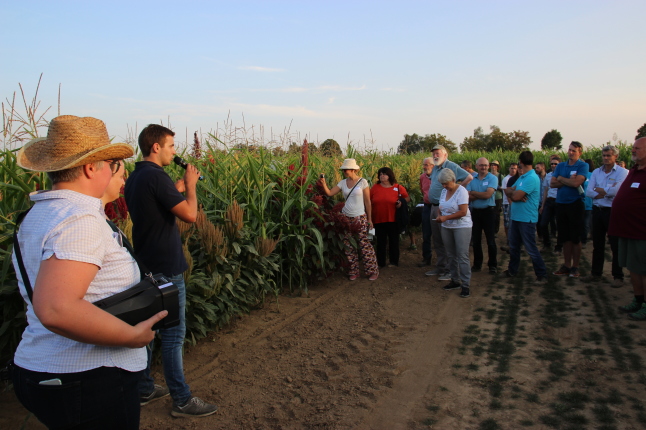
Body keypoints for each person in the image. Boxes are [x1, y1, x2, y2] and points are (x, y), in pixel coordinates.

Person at [11, 115, 167, 429]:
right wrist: (132, 336)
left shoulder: (42, 212)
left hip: (49, 369)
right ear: (90, 167)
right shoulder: (79, 219)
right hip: (86, 378)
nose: (116, 170)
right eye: (112, 163)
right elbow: (56, 308)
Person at [125, 124, 218, 417]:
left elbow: (157, 203)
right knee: (174, 336)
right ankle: (181, 399)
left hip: (146, 264)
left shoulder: (137, 176)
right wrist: (190, 185)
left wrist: (175, 189)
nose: (175, 152)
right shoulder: (157, 176)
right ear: (156, 147)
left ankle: (143, 388)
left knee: (149, 329)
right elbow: (190, 215)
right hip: (167, 268)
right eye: (172, 146)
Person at [318, 159, 379, 281]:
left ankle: (372, 270)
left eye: (346, 169)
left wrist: (370, 219)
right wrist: (323, 183)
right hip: (345, 217)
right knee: (348, 245)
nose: (344, 171)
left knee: (364, 244)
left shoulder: (363, 182)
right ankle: (353, 270)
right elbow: (330, 193)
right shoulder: (342, 183)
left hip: (359, 217)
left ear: (354, 170)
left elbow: (367, 202)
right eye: (343, 169)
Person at [609, 138, 646, 320]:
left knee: (644, 269)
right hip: (628, 229)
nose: (633, 151)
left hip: (641, 230)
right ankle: (638, 300)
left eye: (637, 148)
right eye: (633, 148)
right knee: (634, 267)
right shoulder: (633, 172)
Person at [581, 145, 628, 286]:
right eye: (604, 155)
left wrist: (600, 190)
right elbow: (589, 191)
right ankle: (596, 273)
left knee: (615, 245)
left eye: (608, 155)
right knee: (598, 244)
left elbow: (616, 192)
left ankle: (618, 276)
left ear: (616, 157)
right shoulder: (596, 172)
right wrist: (606, 191)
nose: (605, 158)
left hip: (613, 212)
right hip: (598, 210)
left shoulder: (622, 172)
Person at [425, 145, 472, 280]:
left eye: (437, 153)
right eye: (433, 153)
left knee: (448, 242)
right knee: (438, 239)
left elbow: (469, 177)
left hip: (447, 209)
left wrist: (458, 190)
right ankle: (441, 267)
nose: (435, 156)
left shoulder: (451, 166)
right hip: (435, 207)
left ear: (445, 155)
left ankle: (450, 271)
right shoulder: (435, 168)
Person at [503, 151, 548, 284]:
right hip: (516, 217)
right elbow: (508, 190)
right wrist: (515, 193)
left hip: (526, 218)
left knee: (531, 248)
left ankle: (542, 274)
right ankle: (512, 270)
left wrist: (515, 194)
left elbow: (514, 195)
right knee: (514, 246)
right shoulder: (522, 177)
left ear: (520, 162)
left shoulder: (531, 178)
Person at [550, 141, 589, 278]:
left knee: (575, 237)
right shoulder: (561, 165)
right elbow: (552, 183)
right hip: (561, 204)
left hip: (575, 204)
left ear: (580, 152)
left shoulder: (583, 165)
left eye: (574, 150)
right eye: (570, 150)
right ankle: (566, 265)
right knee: (565, 237)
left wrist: (561, 178)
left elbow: (577, 183)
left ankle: (575, 267)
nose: (571, 152)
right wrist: (567, 180)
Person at [435, 169, 472, 298]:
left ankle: (465, 284)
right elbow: (441, 207)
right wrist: (439, 215)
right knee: (450, 254)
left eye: (446, 183)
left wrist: (446, 218)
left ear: (452, 180)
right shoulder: (444, 191)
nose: (444, 186)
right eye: (442, 184)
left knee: (462, 255)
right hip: (446, 226)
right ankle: (455, 280)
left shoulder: (461, 191)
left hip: (461, 226)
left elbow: (462, 211)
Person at [371, 167, 410, 267]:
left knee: (394, 241)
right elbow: (369, 201)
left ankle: (394, 261)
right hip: (379, 219)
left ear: (390, 175)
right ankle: (381, 263)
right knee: (381, 242)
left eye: (384, 174)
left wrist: (401, 202)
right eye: (380, 174)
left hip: (393, 219)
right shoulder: (375, 188)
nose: (382, 176)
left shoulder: (398, 187)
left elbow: (407, 198)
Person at [466, 157, 498, 274]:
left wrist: (474, 193)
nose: (483, 167)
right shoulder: (471, 179)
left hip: (488, 212)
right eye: (481, 165)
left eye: (485, 165)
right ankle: (477, 264)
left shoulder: (493, 178)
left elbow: (488, 195)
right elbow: (468, 196)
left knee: (490, 240)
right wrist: (480, 194)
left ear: (488, 166)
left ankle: (492, 265)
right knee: (476, 240)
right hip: (475, 212)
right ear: (476, 166)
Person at [539, 157, 561, 252]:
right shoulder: (548, 176)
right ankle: (547, 244)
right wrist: (543, 205)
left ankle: (559, 246)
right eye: (552, 164)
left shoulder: (562, 176)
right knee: (543, 224)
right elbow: (545, 191)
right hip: (549, 201)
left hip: (559, 201)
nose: (553, 165)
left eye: (555, 164)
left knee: (560, 225)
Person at [418, 158, 434, 267]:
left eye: (426, 165)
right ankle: (426, 257)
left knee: (440, 234)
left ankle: (443, 260)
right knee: (426, 233)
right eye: (424, 165)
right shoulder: (422, 177)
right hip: (427, 206)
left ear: (433, 166)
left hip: (437, 207)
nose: (424, 167)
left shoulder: (438, 177)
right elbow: (422, 190)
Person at [500, 163, 518, 251]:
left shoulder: (518, 179)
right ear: (509, 169)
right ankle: (508, 240)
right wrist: (511, 203)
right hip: (507, 203)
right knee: (507, 223)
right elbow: (507, 193)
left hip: (515, 202)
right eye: (512, 168)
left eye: (515, 168)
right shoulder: (506, 179)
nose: (513, 170)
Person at [580, 159, 595, 247]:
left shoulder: (592, 175)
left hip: (588, 203)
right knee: (579, 223)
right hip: (579, 202)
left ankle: (584, 240)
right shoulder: (578, 175)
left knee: (586, 224)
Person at [490, 160, 503, 234]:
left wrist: (497, 187)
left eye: (495, 165)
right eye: (492, 165)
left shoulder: (500, 176)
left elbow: (504, 187)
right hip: (489, 197)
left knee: (497, 215)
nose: (493, 166)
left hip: (498, 197)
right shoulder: (488, 175)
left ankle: (495, 230)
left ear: (497, 167)